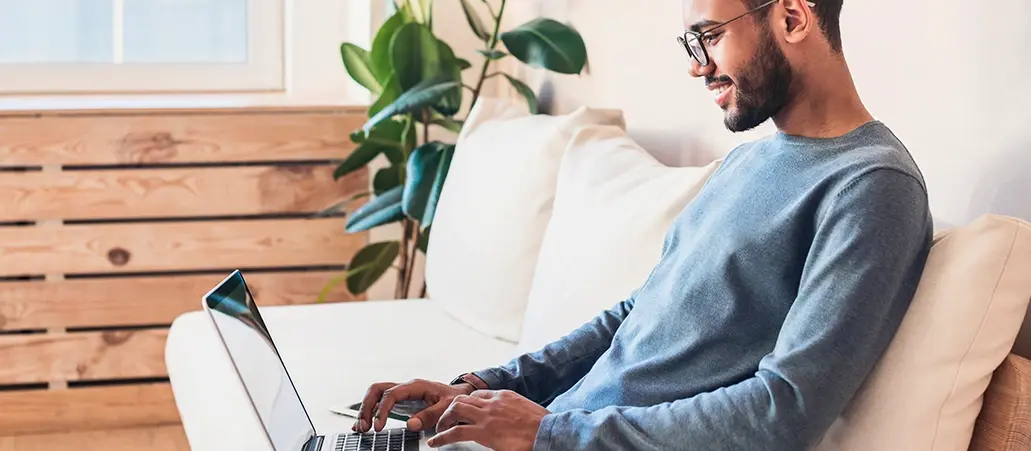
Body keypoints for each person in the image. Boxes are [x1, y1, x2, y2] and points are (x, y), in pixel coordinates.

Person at [353, 0, 934, 449]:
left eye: (709, 36)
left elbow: (784, 412)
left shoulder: (873, 187)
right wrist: (486, 387)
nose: (695, 65)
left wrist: (548, 435)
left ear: (791, 16)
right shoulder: (748, 161)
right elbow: (641, 312)